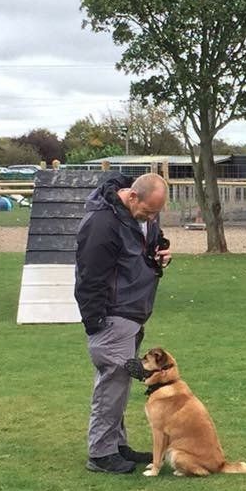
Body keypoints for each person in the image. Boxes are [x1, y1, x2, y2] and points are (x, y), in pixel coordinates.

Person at [75, 172, 171, 474]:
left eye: (156, 213)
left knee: (119, 386)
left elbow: (146, 245)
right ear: (132, 196)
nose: (152, 218)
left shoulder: (136, 215)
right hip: (112, 316)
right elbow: (89, 278)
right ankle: (102, 454)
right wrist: (97, 324)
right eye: (149, 211)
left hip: (132, 312)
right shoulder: (102, 224)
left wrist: (161, 251)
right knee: (112, 383)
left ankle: (116, 445)